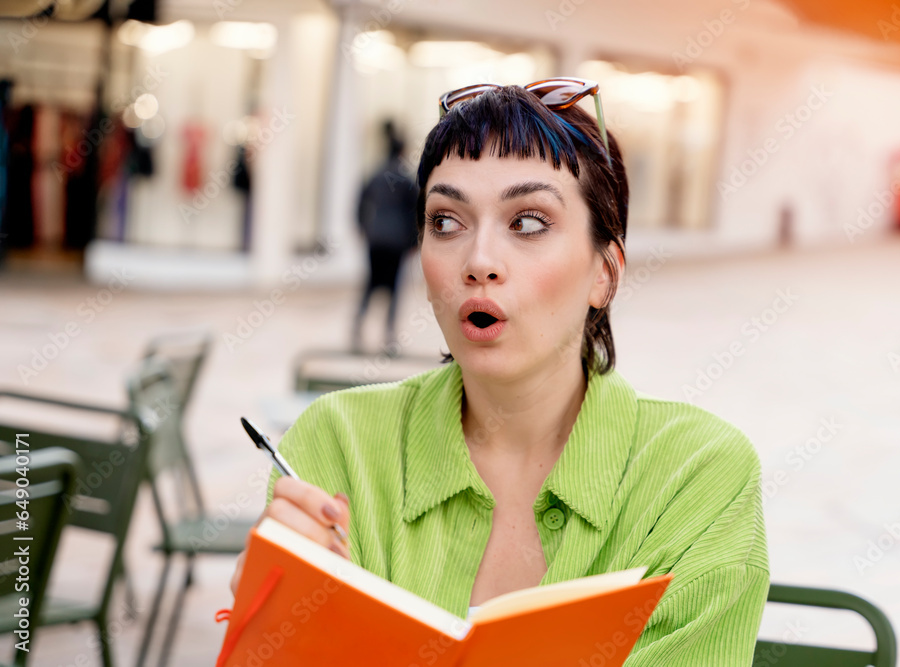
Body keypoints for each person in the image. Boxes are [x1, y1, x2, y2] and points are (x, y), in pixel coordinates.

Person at [230, 79, 768, 665]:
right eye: (446, 221)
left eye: (529, 222)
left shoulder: (697, 477)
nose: (479, 261)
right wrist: (275, 631)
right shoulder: (338, 447)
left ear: (604, 273)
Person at [351, 120, 419, 354]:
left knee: (370, 284)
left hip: (376, 238)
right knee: (394, 288)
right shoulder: (406, 179)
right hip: (396, 241)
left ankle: (357, 327)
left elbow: (359, 202)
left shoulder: (375, 174)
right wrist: (414, 242)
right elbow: (415, 213)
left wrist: (362, 227)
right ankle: (389, 335)